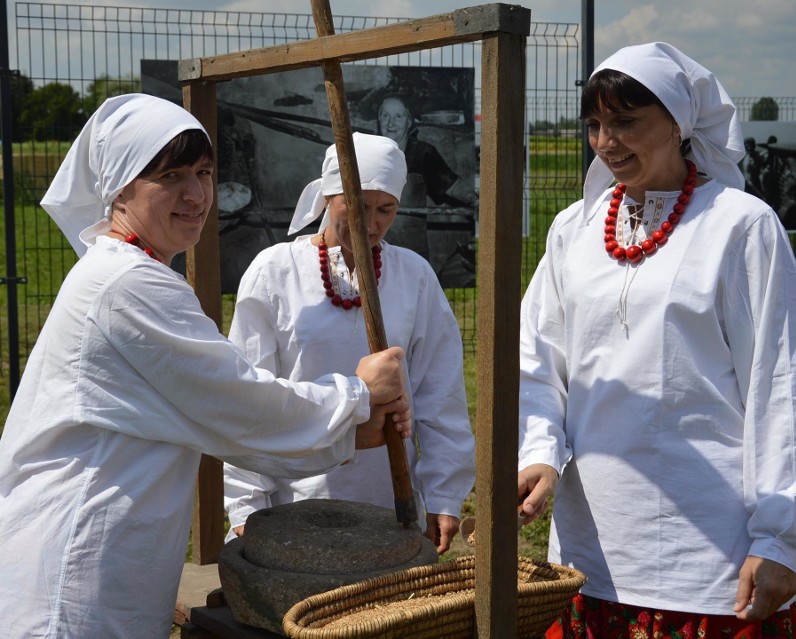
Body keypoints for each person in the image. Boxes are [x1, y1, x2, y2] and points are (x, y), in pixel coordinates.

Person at [0, 94, 412, 638]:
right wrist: (358, 394)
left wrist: (349, 432)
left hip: (108, 557)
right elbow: (238, 402)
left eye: (203, 172)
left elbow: (216, 418)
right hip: (74, 565)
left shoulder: (128, 272)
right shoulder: (129, 284)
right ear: (120, 187)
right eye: (170, 176)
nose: (196, 195)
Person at [515, 43, 796, 638]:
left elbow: (781, 383)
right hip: (593, 540)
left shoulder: (739, 225)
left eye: (626, 121)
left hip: (710, 549)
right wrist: (539, 452)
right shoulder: (574, 230)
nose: (606, 141)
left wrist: (778, 537)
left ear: (679, 124)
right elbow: (540, 359)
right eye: (594, 124)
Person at [223, 133, 475, 554]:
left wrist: (444, 495)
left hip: (389, 495)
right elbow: (248, 397)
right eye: (355, 207)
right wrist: (247, 505)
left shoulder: (412, 276)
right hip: (295, 495)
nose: (370, 224)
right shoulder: (276, 272)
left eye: (385, 209)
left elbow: (440, 394)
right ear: (328, 197)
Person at [377, 94, 477, 208]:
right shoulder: (368, 153)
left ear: (409, 122)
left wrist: (472, 198)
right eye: (385, 116)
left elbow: (452, 186)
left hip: (408, 224)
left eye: (398, 116)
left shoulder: (422, 154)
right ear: (379, 120)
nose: (390, 123)